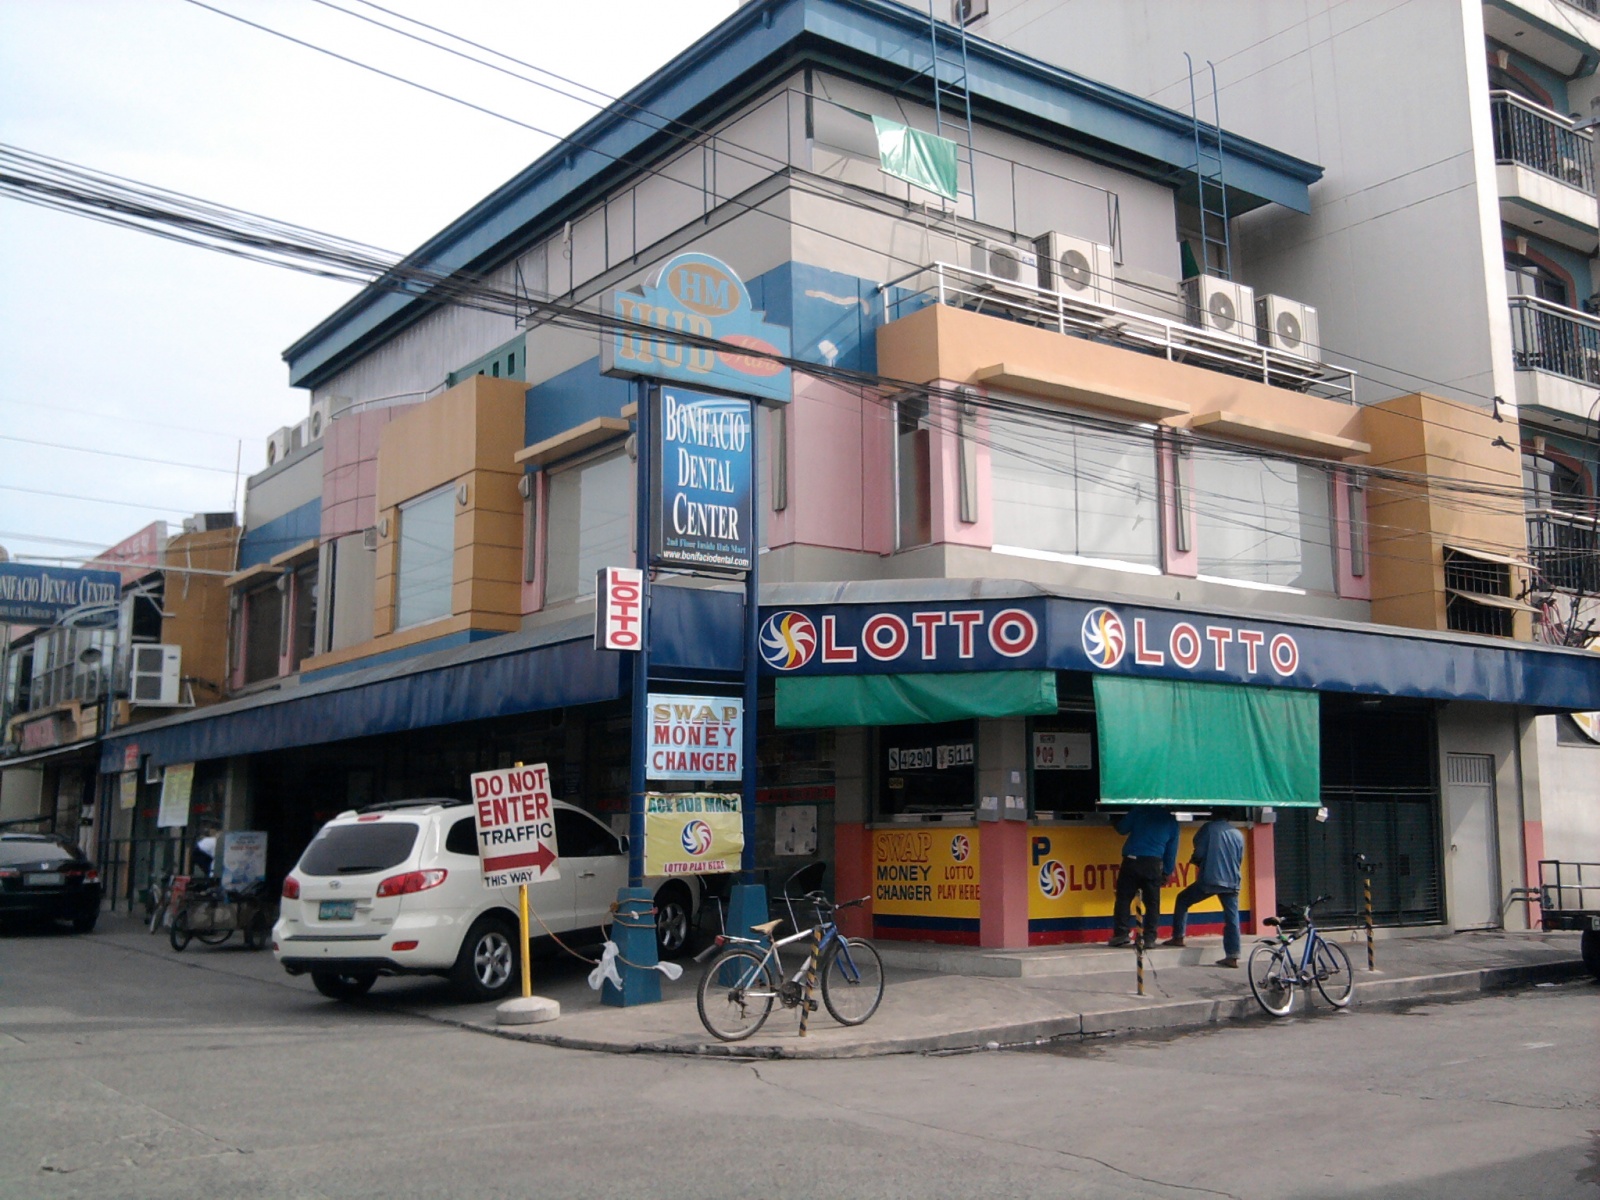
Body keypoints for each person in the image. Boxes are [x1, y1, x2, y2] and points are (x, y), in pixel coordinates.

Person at [1163, 814, 1246, 968]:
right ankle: (1233, 955)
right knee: (1232, 918)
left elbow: (1199, 852)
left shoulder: (1208, 829)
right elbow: (1239, 858)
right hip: (1232, 881)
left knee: (1183, 899)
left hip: (1210, 879)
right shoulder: (1238, 834)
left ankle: (1178, 937)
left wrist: (1196, 861)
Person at [1107, 807, 1179, 949]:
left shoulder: (1139, 811)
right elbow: (1171, 851)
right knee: (1152, 903)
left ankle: (1121, 934)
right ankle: (1149, 938)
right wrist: (1167, 871)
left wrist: (1113, 817)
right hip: (1153, 863)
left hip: (1132, 861)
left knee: (1124, 898)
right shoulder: (1171, 821)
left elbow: (1122, 828)